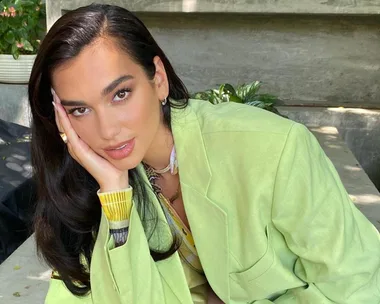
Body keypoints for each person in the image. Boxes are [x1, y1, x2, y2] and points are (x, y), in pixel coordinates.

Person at [28, 4, 380, 304]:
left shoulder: (273, 150)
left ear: (159, 80)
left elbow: (357, 282)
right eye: (79, 110)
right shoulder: (84, 182)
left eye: (120, 94)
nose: (107, 130)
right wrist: (115, 194)